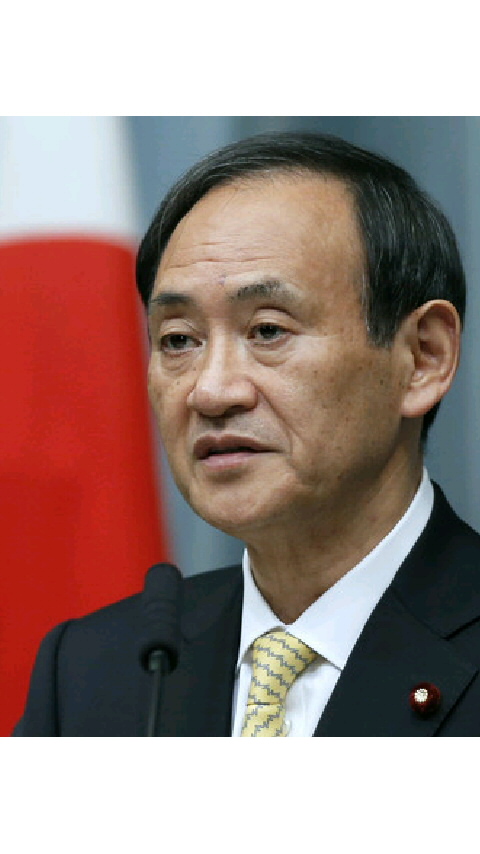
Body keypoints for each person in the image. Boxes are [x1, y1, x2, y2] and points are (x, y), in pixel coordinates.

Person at [14, 132, 480, 736]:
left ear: (422, 358)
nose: (211, 392)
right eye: (178, 340)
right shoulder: (93, 670)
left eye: (267, 331)